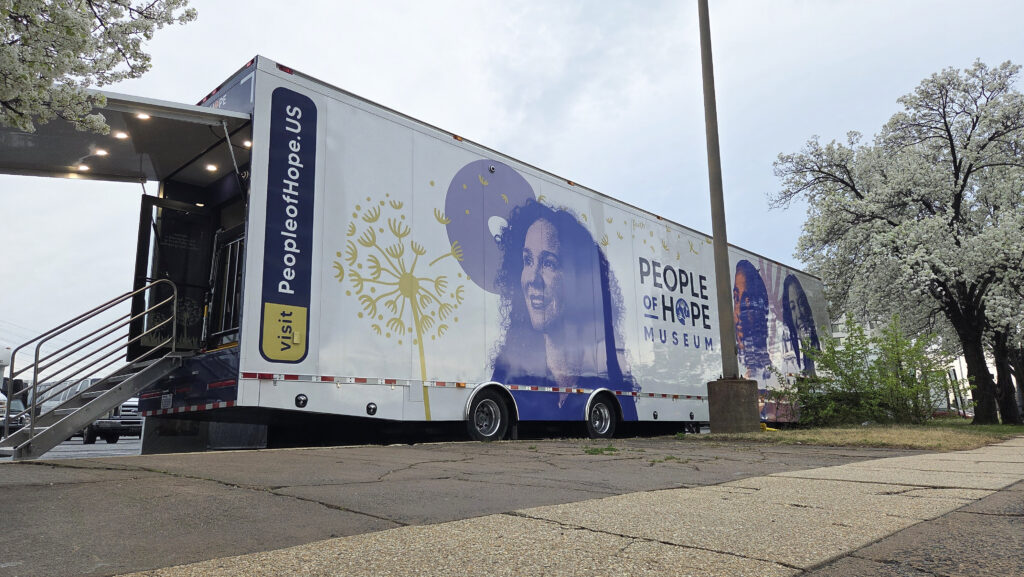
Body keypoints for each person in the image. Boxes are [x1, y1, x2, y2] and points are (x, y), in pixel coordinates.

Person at [491, 200, 637, 420]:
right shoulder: (508, 375)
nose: (533, 278)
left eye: (549, 263)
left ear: (577, 280)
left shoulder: (608, 375)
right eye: (527, 260)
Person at [733, 260, 771, 381]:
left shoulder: (768, 370)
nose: (739, 311)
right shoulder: (739, 360)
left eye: (747, 299)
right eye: (736, 298)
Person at [782, 274, 820, 375]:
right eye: (793, 307)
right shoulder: (789, 361)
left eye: (801, 303)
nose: (799, 314)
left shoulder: (818, 351)